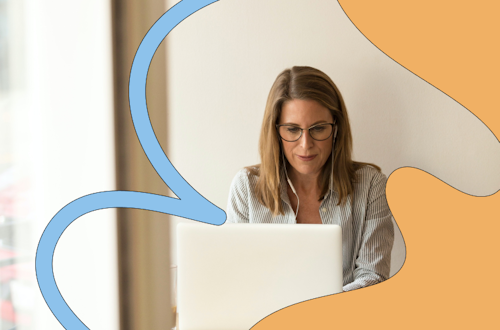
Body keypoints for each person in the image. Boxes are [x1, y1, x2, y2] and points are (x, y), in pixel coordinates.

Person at [226, 66, 394, 292]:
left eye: (318, 128)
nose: (306, 145)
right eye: (293, 129)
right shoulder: (246, 187)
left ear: (336, 128)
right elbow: (236, 276)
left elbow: (374, 278)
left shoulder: (371, 185)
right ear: (275, 131)